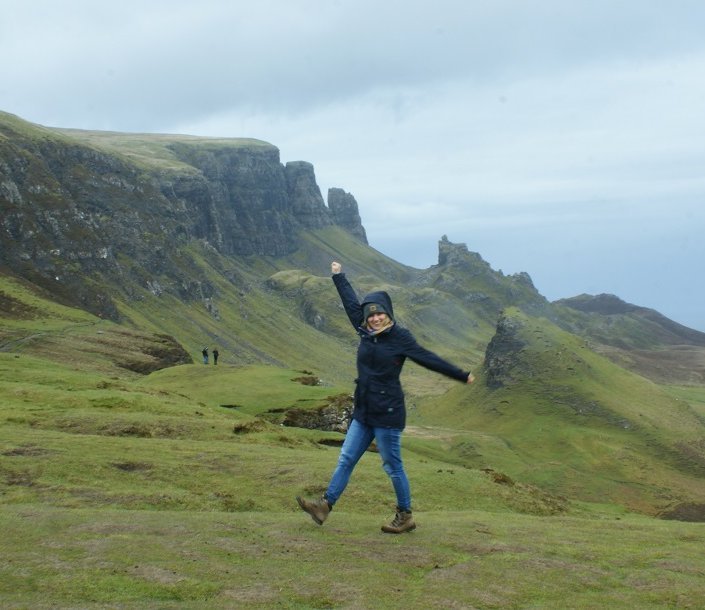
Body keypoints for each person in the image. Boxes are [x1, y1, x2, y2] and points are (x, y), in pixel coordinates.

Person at [296, 261, 474, 534]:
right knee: (346, 459)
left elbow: (427, 358)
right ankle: (324, 506)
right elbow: (351, 304)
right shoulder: (365, 331)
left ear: (388, 314)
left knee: (392, 466)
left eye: (379, 314)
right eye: (371, 315)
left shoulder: (400, 337)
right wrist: (338, 276)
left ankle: (405, 515)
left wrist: (460, 375)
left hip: (388, 414)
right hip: (364, 411)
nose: (375, 318)